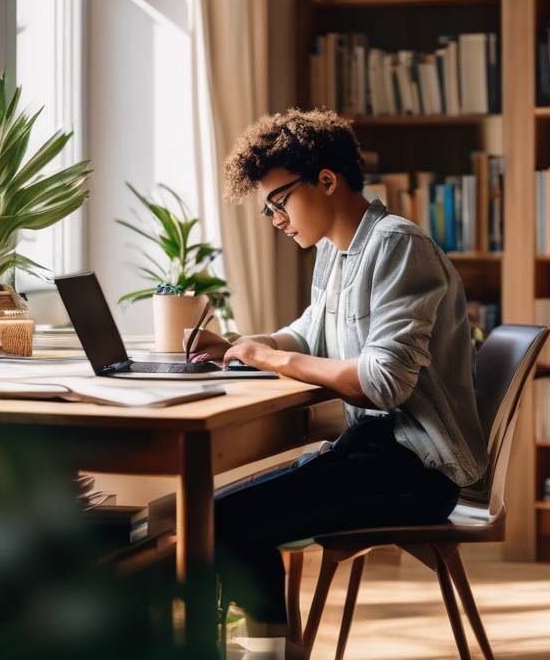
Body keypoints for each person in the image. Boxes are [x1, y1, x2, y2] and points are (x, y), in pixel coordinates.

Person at [190, 108, 487, 658]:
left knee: (225, 521)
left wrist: (271, 361)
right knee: (212, 513)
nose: (275, 218)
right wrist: (241, 345)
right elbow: (309, 332)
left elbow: (383, 382)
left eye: (278, 201)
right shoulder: (333, 249)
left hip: (419, 471)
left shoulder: (397, 245)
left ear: (327, 180)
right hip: (371, 452)